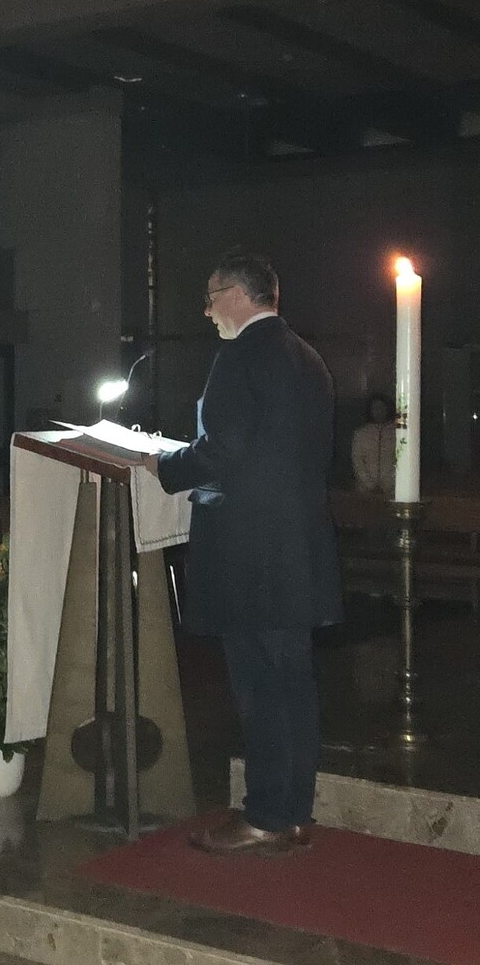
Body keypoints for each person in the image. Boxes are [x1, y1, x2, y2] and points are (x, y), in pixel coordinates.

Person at [143, 249, 343, 856]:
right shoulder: (309, 359)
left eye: (211, 300)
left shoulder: (239, 356)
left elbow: (222, 451)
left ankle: (262, 816)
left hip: (250, 554)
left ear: (236, 295)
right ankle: (293, 812)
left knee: (258, 688)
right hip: (298, 549)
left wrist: (163, 464)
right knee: (293, 684)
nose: (207, 313)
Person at [351, 394, 396, 497]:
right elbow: (357, 461)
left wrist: (389, 483)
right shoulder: (361, 434)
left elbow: (400, 460)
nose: (379, 411)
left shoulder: (396, 433)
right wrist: (369, 484)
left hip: (392, 490)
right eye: (375, 408)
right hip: (365, 491)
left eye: (382, 408)